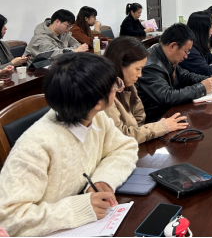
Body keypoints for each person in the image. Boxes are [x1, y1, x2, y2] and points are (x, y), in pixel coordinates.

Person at [0, 53, 138, 237]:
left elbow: (124, 147)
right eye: (115, 85)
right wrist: (79, 208)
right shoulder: (35, 146)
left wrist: (103, 179)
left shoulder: (96, 116)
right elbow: (9, 219)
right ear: (98, 102)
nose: (118, 87)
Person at [104, 37, 189, 144]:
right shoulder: (106, 94)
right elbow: (119, 136)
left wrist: (157, 127)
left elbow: (140, 119)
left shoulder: (129, 85)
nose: (140, 75)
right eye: (137, 69)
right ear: (120, 65)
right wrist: (161, 127)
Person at [136, 24, 212, 123]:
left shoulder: (164, 54)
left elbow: (185, 76)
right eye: (186, 51)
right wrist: (202, 88)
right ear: (172, 46)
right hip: (156, 120)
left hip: (167, 114)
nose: (186, 56)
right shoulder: (150, 66)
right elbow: (167, 97)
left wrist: (208, 80)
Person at [24, 9, 88, 60]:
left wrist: (71, 51)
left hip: (57, 65)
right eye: (68, 26)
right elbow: (52, 55)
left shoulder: (64, 33)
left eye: (70, 27)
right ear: (57, 22)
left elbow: (77, 45)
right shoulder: (41, 37)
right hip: (34, 70)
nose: (68, 29)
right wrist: (74, 51)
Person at [180, 12, 212, 76]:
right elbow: (207, 71)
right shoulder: (190, 49)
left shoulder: (201, 45)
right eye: (211, 27)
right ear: (203, 29)